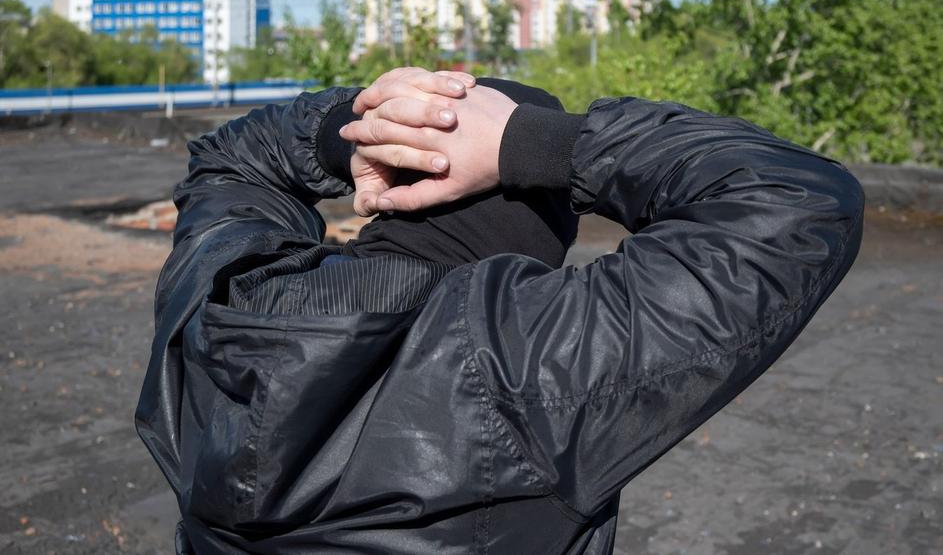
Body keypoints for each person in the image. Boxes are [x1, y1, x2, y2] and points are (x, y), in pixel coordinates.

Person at [136, 68, 864, 554]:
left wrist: (360, 125)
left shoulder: (222, 303)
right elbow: (795, 199)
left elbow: (226, 162)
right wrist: (531, 141)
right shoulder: (533, 359)